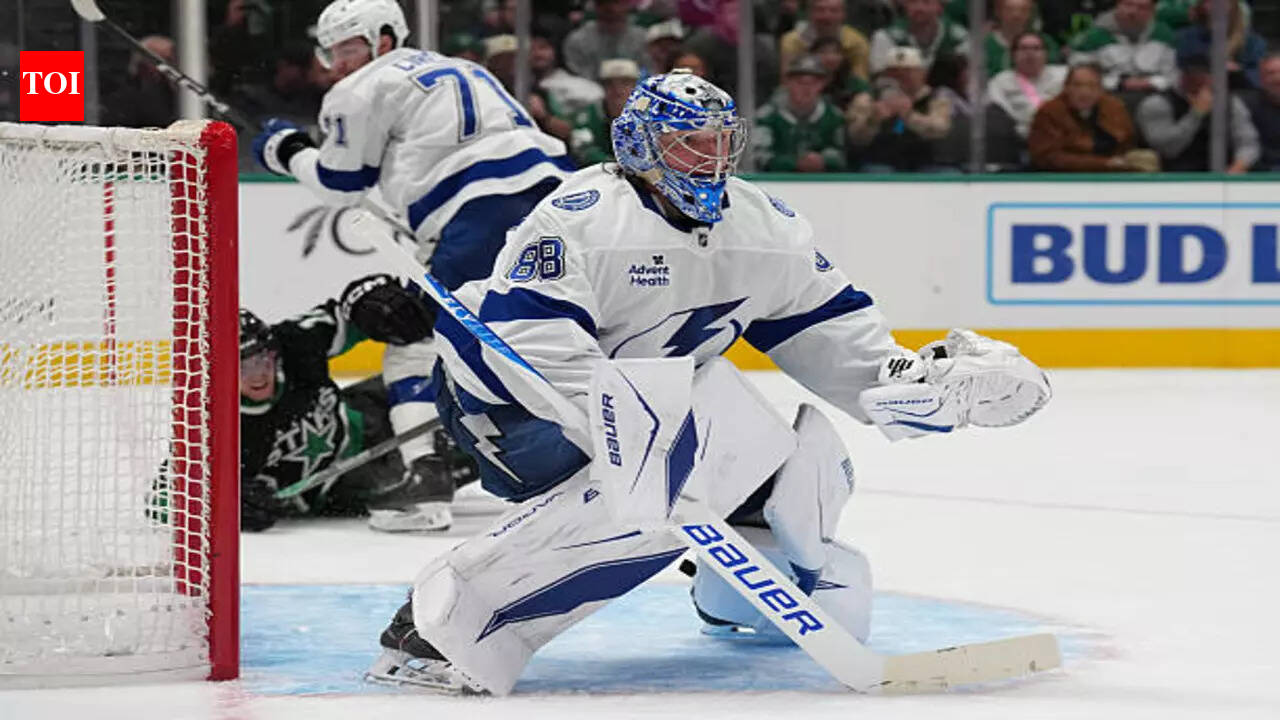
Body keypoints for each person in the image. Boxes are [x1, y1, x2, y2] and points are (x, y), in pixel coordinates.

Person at [363, 69, 1051, 695]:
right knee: (691, 439)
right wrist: (627, 429)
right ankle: (444, 623)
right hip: (508, 411)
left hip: (658, 402)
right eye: (690, 145)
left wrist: (911, 380)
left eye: (721, 143)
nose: (713, 161)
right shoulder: (579, 218)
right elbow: (533, 342)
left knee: (806, 479)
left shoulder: (763, 226)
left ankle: (733, 595)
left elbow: (829, 327)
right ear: (639, 146)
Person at [253, 0, 573, 531]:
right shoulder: (459, 68)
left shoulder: (359, 88)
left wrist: (284, 150)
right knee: (549, 333)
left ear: (383, 39)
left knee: (412, 337)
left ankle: (426, 477)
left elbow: (340, 182)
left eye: (349, 48)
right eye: (332, 52)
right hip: (557, 203)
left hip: (480, 211)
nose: (340, 63)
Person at [230, 286, 480, 533]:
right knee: (481, 447)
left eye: (261, 358)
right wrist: (231, 504)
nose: (258, 375)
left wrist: (368, 299)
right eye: (242, 367)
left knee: (449, 374)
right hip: (342, 482)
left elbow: (351, 313)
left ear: (274, 351)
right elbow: (197, 493)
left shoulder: (293, 342)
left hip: (365, 411)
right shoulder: (211, 426)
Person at [1135, 52, 1260, 173]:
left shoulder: (1230, 102)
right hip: (1172, 177)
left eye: (1208, 74)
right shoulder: (1157, 103)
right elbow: (1168, 149)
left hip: (1224, 173)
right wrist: (1196, 114)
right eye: (1194, 74)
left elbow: (1248, 142)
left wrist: (1239, 166)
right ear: (1183, 75)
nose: (1201, 79)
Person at [1027, 62, 1157, 172]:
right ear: (1066, 88)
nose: (1085, 92)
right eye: (1077, 85)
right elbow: (1048, 157)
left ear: (1101, 90)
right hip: (1064, 178)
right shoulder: (1049, 112)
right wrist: (1104, 163)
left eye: (1092, 86)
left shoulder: (1115, 108)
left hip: (1113, 173)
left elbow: (1127, 142)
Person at [846, 46, 954, 172]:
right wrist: (873, 120)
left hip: (925, 161)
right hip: (880, 161)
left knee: (947, 174)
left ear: (922, 73)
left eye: (908, 71)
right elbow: (855, 138)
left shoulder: (935, 98)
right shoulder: (867, 98)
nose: (901, 76)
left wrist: (909, 116)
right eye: (894, 71)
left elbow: (941, 130)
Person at [754, 55, 849, 172]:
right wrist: (794, 163)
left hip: (823, 183)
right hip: (777, 183)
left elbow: (842, 155)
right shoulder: (767, 116)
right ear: (787, 83)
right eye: (800, 82)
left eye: (813, 83)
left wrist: (824, 160)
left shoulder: (834, 116)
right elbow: (759, 157)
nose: (806, 89)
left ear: (822, 85)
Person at [1070, 0, 1177, 97]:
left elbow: (1174, 74)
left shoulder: (1164, 35)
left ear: (1152, 11)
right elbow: (1079, 74)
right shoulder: (1094, 36)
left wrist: (1152, 82)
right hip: (1107, 93)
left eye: (1142, 7)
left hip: (1156, 94)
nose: (1133, 12)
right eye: (1128, 5)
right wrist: (1119, 83)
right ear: (1117, 5)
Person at [988, 31, 1068, 139]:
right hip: (1020, 139)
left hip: (1063, 136)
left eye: (1036, 48)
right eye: (1024, 48)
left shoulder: (1064, 75)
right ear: (1013, 54)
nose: (1030, 53)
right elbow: (1000, 114)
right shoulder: (1000, 81)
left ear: (1046, 54)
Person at [1174, 0, 1265, 91]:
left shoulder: (1252, 41)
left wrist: (1238, 70)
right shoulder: (1188, 36)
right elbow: (1181, 68)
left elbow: (1257, 77)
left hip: (1237, 90)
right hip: (1198, 91)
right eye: (1209, 2)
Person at [569, 59, 641, 166]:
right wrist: (614, 164)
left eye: (625, 83)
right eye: (610, 84)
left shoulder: (648, 114)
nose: (617, 89)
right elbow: (582, 149)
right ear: (602, 86)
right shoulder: (587, 115)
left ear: (635, 86)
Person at [779, 0, 871, 82]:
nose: (827, 16)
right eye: (820, 10)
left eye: (834, 11)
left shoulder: (857, 43)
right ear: (809, 13)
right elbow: (787, 81)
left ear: (843, 14)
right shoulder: (792, 41)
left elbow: (860, 81)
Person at [868, 0, 970, 74]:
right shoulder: (886, 37)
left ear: (940, 7)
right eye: (913, 1)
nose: (919, 8)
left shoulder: (959, 38)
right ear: (905, 5)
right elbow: (880, 77)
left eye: (926, 2)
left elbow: (967, 78)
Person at [101, 35, 178, 129]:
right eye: (166, 60)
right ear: (144, 65)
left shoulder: (187, 95)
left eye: (172, 60)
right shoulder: (127, 101)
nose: (172, 67)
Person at [561, 0, 649, 80]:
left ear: (627, 5)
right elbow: (579, 75)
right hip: (591, 92)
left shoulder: (644, 38)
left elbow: (649, 72)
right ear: (595, 7)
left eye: (616, 2)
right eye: (603, 3)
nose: (611, 9)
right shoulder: (577, 40)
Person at [984, 0, 1061, 78]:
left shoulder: (1045, 42)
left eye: (1023, 10)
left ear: (1030, 12)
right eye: (1010, 9)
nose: (1016, 15)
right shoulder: (984, 44)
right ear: (997, 11)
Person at [1244, 54, 1280, 172]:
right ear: (1261, 79)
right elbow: (1249, 149)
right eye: (1271, 73)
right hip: (1261, 175)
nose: (1277, 79)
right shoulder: (1247, 106)